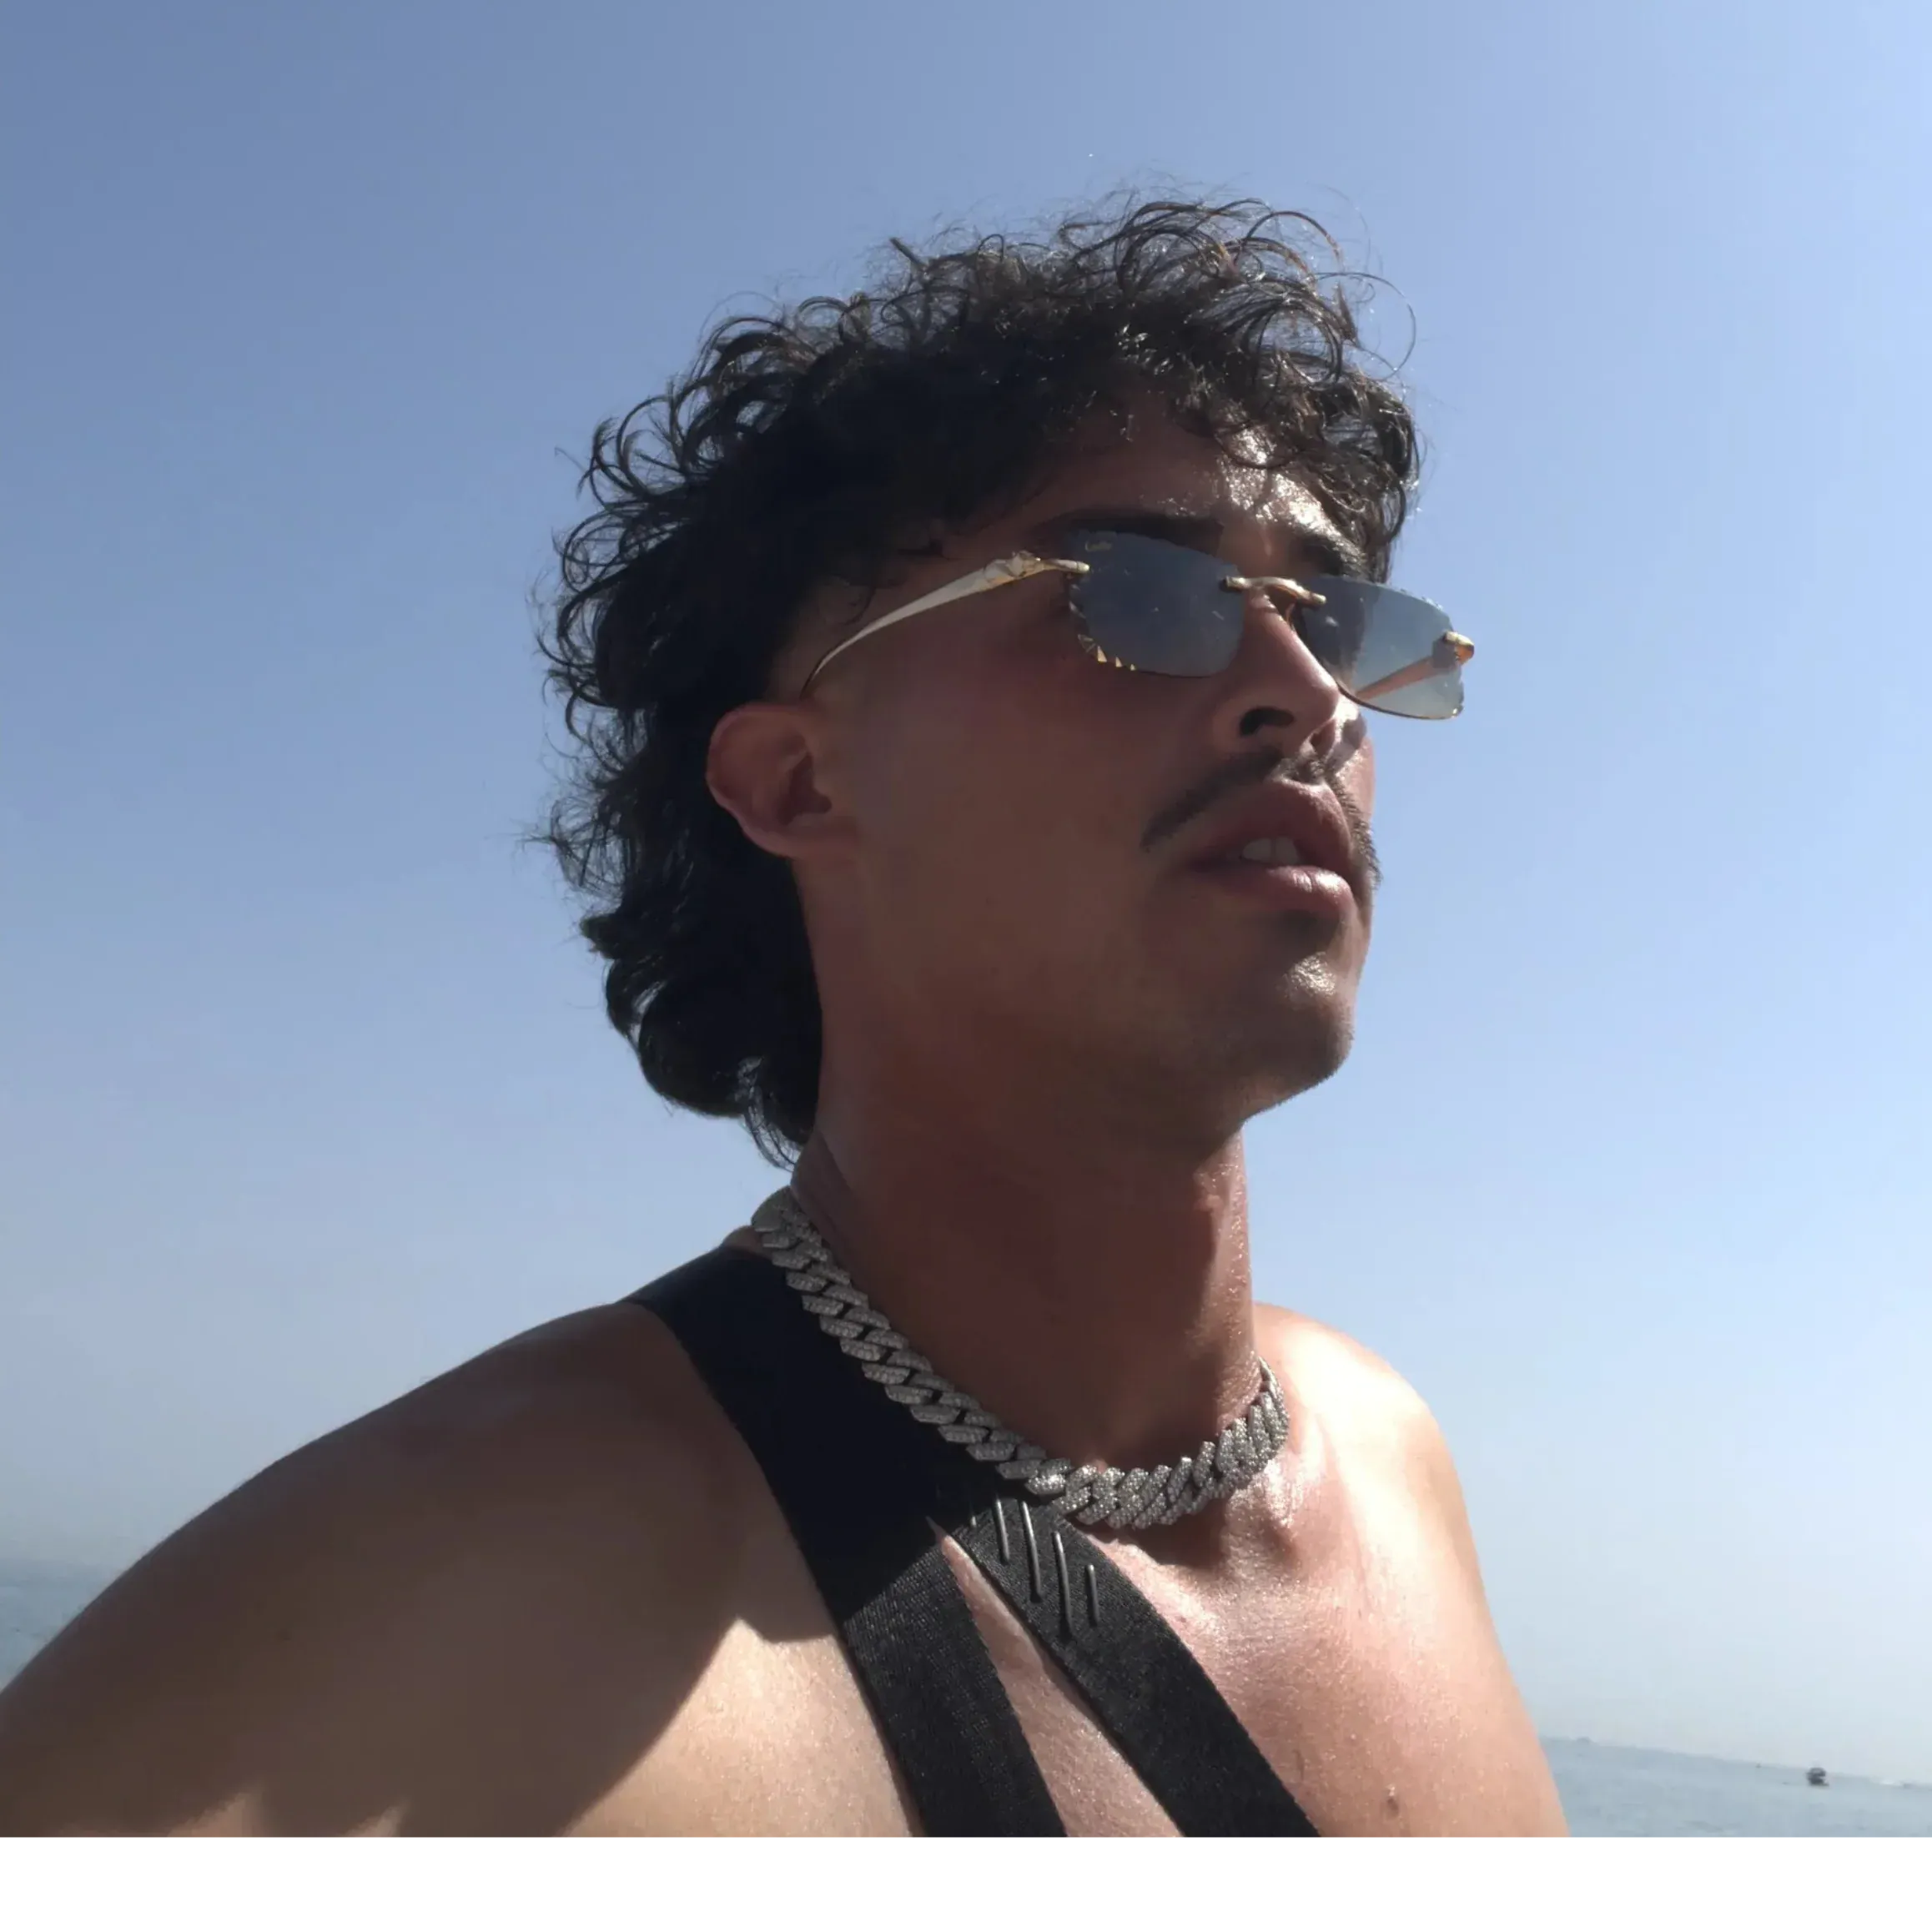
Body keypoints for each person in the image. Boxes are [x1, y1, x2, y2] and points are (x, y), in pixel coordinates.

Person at [0, 199, 1566, 1839]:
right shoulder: (447, 1619)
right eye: (1133, 595)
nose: (1306, 696)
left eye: (1336, 622)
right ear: (801, 782)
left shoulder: (1388, 1458)